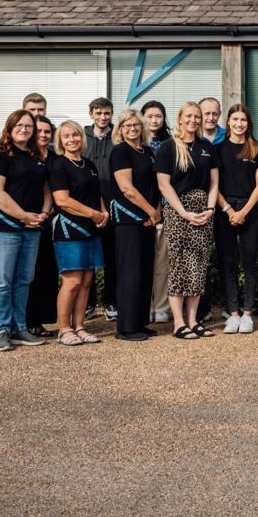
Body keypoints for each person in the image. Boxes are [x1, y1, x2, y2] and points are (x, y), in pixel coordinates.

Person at [0, 110, 52, 351]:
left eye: (29, 126)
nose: (24, 129)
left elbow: (46, 189)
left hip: (31, 228)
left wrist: (44, 213)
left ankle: (19, 327)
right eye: (20, 125)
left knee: (24, 280)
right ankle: (2, 331)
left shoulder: (37, 156)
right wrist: (23, 216)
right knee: (3, 281)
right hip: (4, 228)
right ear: (10, 127)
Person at [155, 102, 219, 340]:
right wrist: (183, 212)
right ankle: (179, 323)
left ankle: (193, 320)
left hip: (203, 212)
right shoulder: (168, 147)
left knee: (198, 267)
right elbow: (164, 184)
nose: (193, 120)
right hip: (178, 212)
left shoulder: (206, 147)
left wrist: (210, 209)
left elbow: (214, 182)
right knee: (180, 267)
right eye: (189, 116)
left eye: (197, 116)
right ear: (180, 119)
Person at [50, 119, 108, 346]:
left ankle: (79, 326)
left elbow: (97, 193)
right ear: (60, 141)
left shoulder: (89, 164)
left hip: (91, 229)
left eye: (75, 135)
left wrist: (102, 213)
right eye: (66, 136)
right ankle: (64, 330)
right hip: (68, 229)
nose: (72, 139)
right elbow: (62, 200)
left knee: (86, 280)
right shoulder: (59, 165)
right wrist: (93, 214)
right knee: (72, 281)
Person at [214, 104, 258, 334]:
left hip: (250, 208)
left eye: (243, 120)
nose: (239, 124)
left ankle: (247, 314)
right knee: (227, 262)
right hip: (224, 208)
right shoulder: (217, 149)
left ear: (249, 123)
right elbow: (212, 185)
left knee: (249, 262)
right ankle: (233, 313)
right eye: (235, 119)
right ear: (228, 122)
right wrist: (228, 209)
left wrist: (244, 211)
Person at [109, 109, 160, 342]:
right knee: (130, 272)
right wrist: (149, 210)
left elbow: (157, 184)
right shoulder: (120, 152)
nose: (132, 129)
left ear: (142, 128)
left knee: (144, 271)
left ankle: (140, 321)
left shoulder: (149, 152)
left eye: (136, 125)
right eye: (127, 125)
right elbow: (127, 189)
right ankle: (126, 328)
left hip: (149, 220)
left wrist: (156, 212)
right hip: (128, 219)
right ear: (120, 129)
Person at [83, 96, 118, 322]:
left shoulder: (118, 135)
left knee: (112, 256)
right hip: (86, 205)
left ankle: (111, 301)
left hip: (113, 205)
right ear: (91, 114)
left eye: (106, 113)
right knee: (87, 258)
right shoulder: (82, 136)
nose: (102, 117)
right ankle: (87, 304)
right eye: (98, 112)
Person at [24, 116, 58, 338]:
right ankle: (28, 321)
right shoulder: (25, 157)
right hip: (27, 221)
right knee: (30, 274)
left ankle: (41, 321)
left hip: (50, 223)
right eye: (39, 131)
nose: (43, 135)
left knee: (47, 272)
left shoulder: (55, 157)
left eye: (47, 131)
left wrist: (49, 212)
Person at [141, 100, 173, 323]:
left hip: (166, 207)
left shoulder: (170, 143)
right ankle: (143, 305)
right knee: (141, 262)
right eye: (149, 116)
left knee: (163, 261)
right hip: (140, 209)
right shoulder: (135, 143)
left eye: (158, 116)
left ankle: (161, 306)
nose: (154, 120)